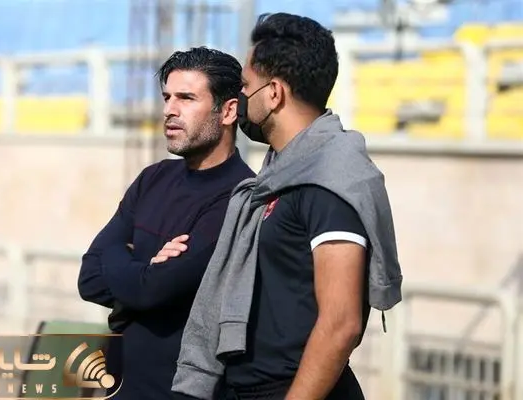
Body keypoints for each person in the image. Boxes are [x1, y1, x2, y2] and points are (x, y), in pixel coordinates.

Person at [170, 13, 403, 400]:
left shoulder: (330, 181)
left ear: (274, 93)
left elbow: (341, 323)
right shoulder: (279, 175)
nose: (240, 99)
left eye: (246, 86)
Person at [77, 46, 255, 400]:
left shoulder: (239, 197)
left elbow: (152, 290)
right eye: (167, 97)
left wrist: (125, 261)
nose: (169, 110)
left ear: (228, 111)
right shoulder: (153, 178)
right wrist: (146, 269)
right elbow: (89, 278)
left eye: (186, 98)